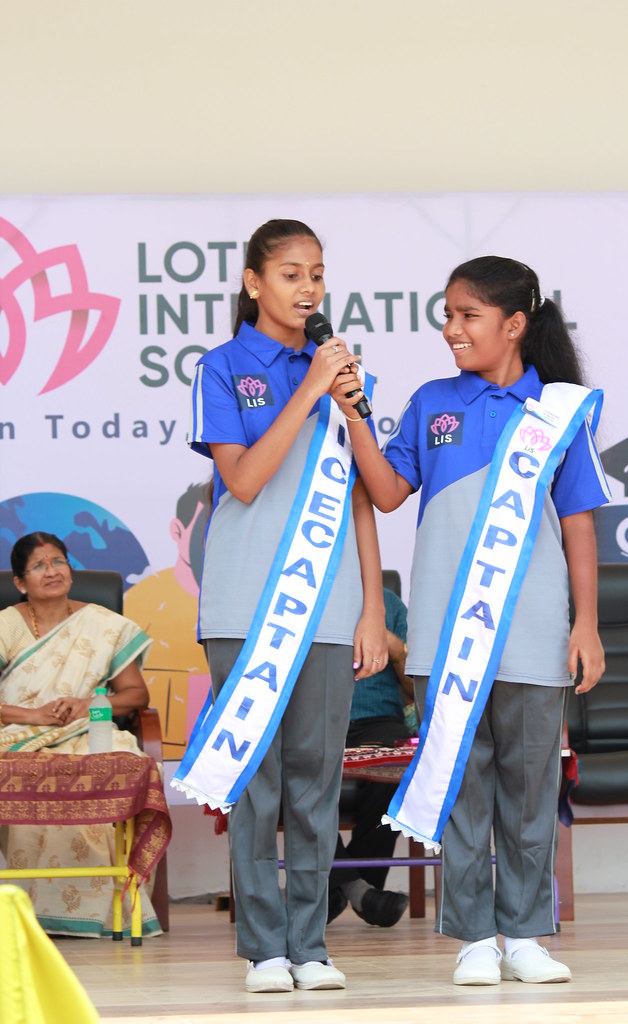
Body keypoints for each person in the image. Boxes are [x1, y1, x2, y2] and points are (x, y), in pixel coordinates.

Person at [331, 256, 611, 985]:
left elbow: (578, 524)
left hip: (533, 629)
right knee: (459, 785)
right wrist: (355, 415)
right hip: (442, 633)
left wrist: (586, 626)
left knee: (526, 787)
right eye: (446, 315)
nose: (451, 329)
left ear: (513, 324)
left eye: (467, 316)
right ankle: (473, 939)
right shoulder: (431, 402)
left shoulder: (557, 410)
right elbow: (387, 491)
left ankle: (524, 934)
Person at [184, 219, 387, 993]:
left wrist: (372, 605)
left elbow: (365, 500)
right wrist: (309, 390)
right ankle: (264, 946)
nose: (308, 289)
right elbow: (243, 480)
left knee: (316, 782)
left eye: (317, 275)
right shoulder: (224, 367)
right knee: (255, 779)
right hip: (246, 606)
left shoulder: (342, 376)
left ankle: (311, 942)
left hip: (330, 607)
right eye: (292, 274)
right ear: (253, 283)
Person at [0, 531, 161, 938]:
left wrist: (89, 703)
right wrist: (35, 714)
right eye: (39, 566)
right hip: (18, 731)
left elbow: (136, 695)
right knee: (31, 769)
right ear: (20, 582)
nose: (51, 571)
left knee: (114, 765)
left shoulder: (104, 624)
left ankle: (104, 910)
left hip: (89, 727)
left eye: (58, 561)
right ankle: (30, 910)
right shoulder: (6, 626)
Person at [328, 585, 413, 927]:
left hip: (379, 720)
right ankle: (359, 891)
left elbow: (414, 687)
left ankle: (336, 891)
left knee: (392, 779)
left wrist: (396, 650)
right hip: (317, 717)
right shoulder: (302, 593)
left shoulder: (389, 604)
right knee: (300, 781)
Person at [124, 482, 211, 759]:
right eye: (204, 528)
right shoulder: (140, 602)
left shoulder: (249, 599)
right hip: (165, 756)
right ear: (177, 531)